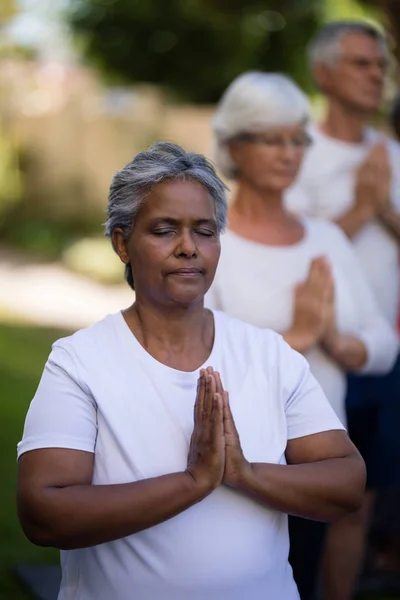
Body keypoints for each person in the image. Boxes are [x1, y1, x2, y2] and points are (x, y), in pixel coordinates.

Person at [17, 142, 366, 600]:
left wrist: (243, 473)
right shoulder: (80, 362)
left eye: (204, 231)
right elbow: (44, 512)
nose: (188, 248)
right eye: (164, 230)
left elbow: (346, 481)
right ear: (122, 243)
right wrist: (192, 482)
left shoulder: (268, 355)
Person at [207, 72, 398, 600]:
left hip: (314, 459)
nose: (288, 152)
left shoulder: (326, 239)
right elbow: (194, 361)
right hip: (234, 460)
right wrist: (296, 336)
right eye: (271, 138)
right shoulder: (209, 245)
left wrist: (337, 341)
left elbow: (383, 344)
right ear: (233, 146)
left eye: (297, 139)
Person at [285, 21, 400, 600]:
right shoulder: (290, 152)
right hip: (309, 357)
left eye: (380, 64)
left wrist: (385, 211)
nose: (376, 74)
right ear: (323, 74)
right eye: (361, 63)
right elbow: (286, 248)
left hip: (381, 361)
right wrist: (361, 208)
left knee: (359, 501)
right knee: (302, 502)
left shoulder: (394, 155)